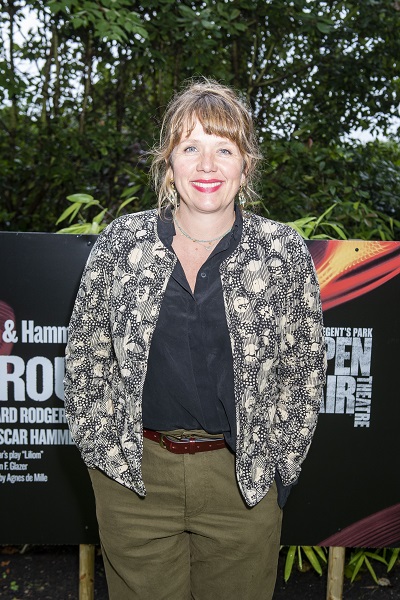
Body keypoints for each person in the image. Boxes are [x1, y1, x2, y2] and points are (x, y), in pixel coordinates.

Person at [64, 79, 326, 600]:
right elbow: (85, 359)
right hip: (134, 481)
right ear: (169, 164)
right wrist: (103, 461)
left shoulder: (282, 252)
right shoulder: (122, 244)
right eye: (190, 148)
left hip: (242, 483)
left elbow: (304, 372)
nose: (207, 165)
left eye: (224, 149)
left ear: (246, 166)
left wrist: (278, 469)